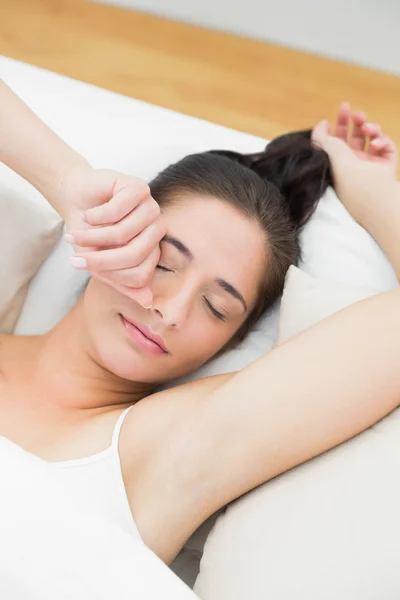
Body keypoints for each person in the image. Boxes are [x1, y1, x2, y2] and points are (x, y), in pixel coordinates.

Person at [0, 77, 399, 571]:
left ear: (231, 340)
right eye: (164, 264)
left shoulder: (169, 447)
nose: (172, 311)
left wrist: (379, 194)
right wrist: (68, 182)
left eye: (217, 308)